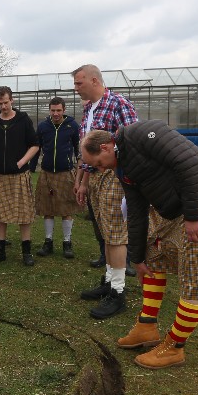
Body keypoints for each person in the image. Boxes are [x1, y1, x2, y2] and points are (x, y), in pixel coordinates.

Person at [82, 124, 198, 369]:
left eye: (99, 163)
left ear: (106, 147)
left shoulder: (141, 134)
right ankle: (146, 326)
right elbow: (136, 212)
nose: (101, 170)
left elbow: (189, 164)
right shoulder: (123, 168)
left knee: (196, 280)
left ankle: (174, 347)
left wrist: (195, 216)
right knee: (154, 258)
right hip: (177, 212)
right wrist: (137, 258)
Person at [73, 64, 140, 320]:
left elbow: (134, 142)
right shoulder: (89, 108)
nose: (76, 88)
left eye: (79, 83)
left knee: (115, 235)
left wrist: (127, 181)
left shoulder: (118, 104)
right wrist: (82, 180)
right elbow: (86, 152)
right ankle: (110, 280)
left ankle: (118, 292)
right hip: (95, 176)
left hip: (114, 175)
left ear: (94, 80)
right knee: (105, 232)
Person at [0, 86, 39, 266]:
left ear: (12, 100)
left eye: (6, 102)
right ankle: (0, 251)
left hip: (19, 175)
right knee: (0, 214)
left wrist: (22, 162)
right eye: (0, 103)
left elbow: (35, 145)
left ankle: (26, 251)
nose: (3, 106)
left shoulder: (23, 120)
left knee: (24, 213)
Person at [34, 97, 81, 259]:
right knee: (47, 209)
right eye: (53, 110)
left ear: (64, 110)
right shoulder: (43, 126)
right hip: (46, 172)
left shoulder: (72, 126)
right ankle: (48, 242)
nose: (55, 113)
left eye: (58, 110)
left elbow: (78, 149)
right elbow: (36, 147)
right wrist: (30, 168)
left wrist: (79, 172)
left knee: (66, 208)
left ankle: (67, 242)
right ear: (49, 110)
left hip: (65, 172)